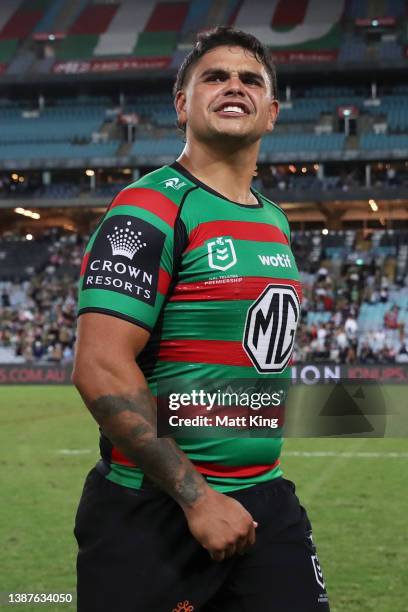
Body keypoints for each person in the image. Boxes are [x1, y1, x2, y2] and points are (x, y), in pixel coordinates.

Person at [72, 26, 330, 611]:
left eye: (250, 80)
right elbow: (100, 367)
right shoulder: (150, 206)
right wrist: (196, 498)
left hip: (265, 502)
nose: (233, 86)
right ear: (183, 104)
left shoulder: (275, 220)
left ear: (272, 113)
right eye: (213, 77)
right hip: (156, 512)